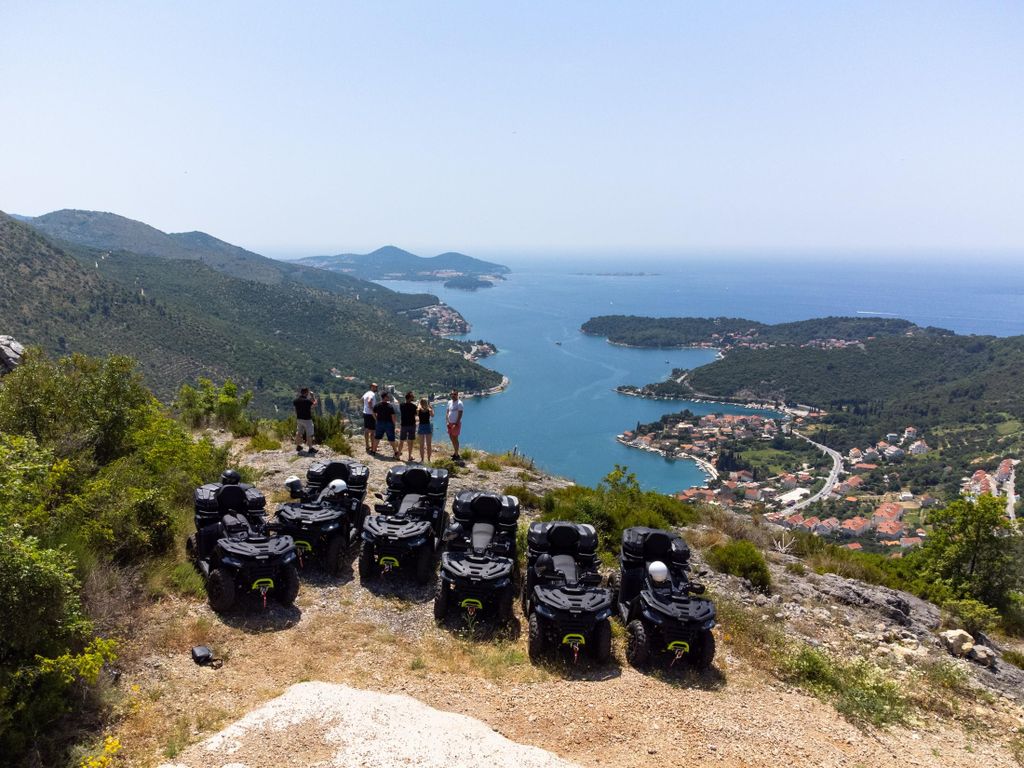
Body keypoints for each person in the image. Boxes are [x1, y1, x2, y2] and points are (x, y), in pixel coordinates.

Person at [372, 391, 401, 459]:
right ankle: (396, 452)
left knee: (377, 437)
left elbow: (373, 413)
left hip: (380, 423)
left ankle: (373, 451)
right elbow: (393, 416)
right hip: (389, 424)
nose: (388, 397)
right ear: (385, 397)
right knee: (391, 439)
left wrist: (376, 420)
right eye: (387, 396)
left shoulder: (377, 405)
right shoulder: (390, 406)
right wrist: (394, 424)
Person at [293, 387, 318, 453]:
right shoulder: (307, 401)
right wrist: (313, 396)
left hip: (299, 419)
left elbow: (295, 410)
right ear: (307, 393)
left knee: (299, 432)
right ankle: (310, 448)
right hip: (307, 420)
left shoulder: (296, 401)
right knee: (309, 433)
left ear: (301, 392)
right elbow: (315, 404)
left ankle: (298, 446)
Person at [399, 391, 419, 461]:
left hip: (404, 425)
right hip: (411, 425)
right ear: (410, 398)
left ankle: (398, 455)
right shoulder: (413, 406)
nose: (413, 397)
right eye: (412, 397)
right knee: (410, 441)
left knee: (401, 440)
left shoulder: (401, 405)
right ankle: (409, 456)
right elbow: (416, 414)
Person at [445, 389, 464, 460]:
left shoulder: (459, 403)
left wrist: (456, 423)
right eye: (452, 394)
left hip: (455, 424)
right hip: (449, 423)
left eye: (455, 394)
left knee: (455, 438)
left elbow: (460, 414)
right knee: (451, 438)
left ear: (457, 395)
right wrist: (447, 422)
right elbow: (447, 412)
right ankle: (455, 452)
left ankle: (456, 454)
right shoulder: (449, 402)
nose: (453, 395)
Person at [361, 382, 379, 452]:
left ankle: (367, 446)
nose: (376, 388)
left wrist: (365, 407)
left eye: (377, 387)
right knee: (373, 431)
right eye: (375, 387)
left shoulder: (366, 393)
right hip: (371, 414)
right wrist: (373, 410)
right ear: (371, 387)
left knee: (366, 430)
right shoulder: (372, 394)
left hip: (365, 413)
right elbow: (369, 401)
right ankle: (373, 447)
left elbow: (361, 399)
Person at [417, 396, 434, 463]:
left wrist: (419, 404)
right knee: (429, 444)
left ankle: (422, 460)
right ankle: (429, 459)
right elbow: (432, 415)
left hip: (421, 426)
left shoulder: (418, 410)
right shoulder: (429, 410)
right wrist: (430, 407)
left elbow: (417, 410)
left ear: (421, 403)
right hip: (428, 426)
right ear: (427, 403)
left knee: (421, 445)